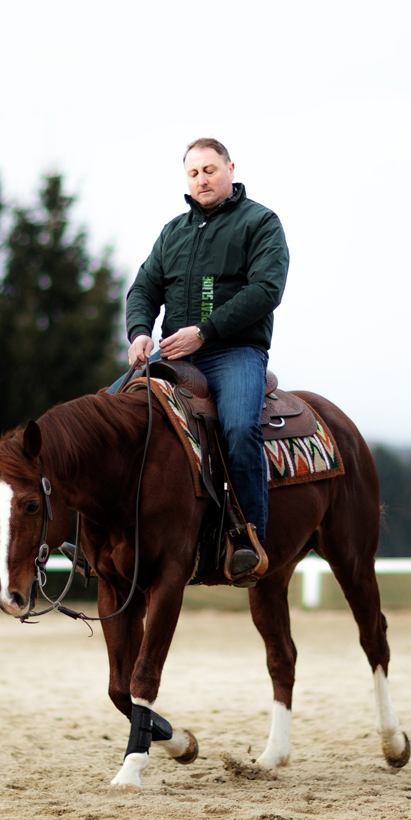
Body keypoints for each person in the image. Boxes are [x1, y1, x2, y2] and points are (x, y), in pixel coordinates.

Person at [124, 138, 289, 584]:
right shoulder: (172, 232)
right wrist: (140, 332)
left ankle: (248, 542)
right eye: (194, 173)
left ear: (231, 169)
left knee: (238, 428)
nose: (202, 179)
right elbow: (143, 289)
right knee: (109, 414)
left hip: (234, 351)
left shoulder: (261, 222)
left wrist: (205, 331)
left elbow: (266, 289)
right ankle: (98, 543)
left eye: (210, 170)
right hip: (174, 355)